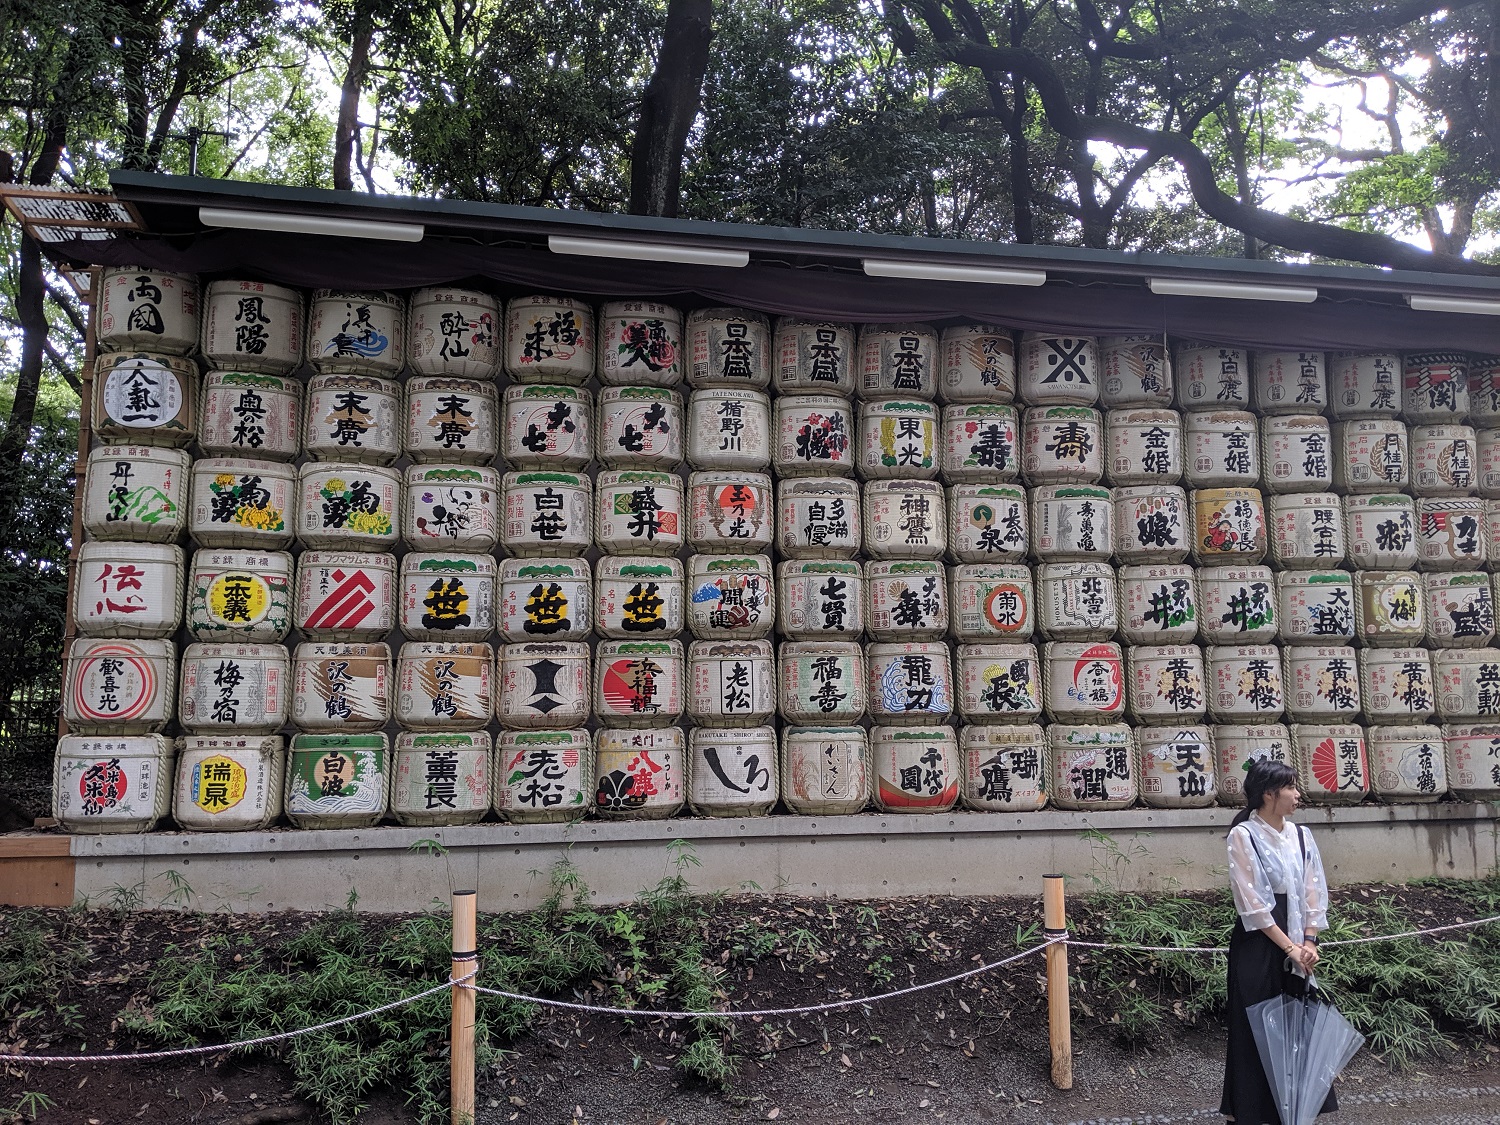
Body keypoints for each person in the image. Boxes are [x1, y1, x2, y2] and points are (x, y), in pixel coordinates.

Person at [1220, 759, 1333, 1123]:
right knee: (1257, 1025)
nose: (1298, 795)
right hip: (1260, 941)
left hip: (1300, 936)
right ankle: (1253, 1113)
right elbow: (1251, 903)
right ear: (1269, 794)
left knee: (1299, 1024)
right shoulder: (1243, 835)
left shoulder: (1301, 835)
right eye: (1290, 788)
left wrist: (1310, 941)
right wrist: (1290, 948)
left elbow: (1314, 889)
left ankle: (1297, 1110)